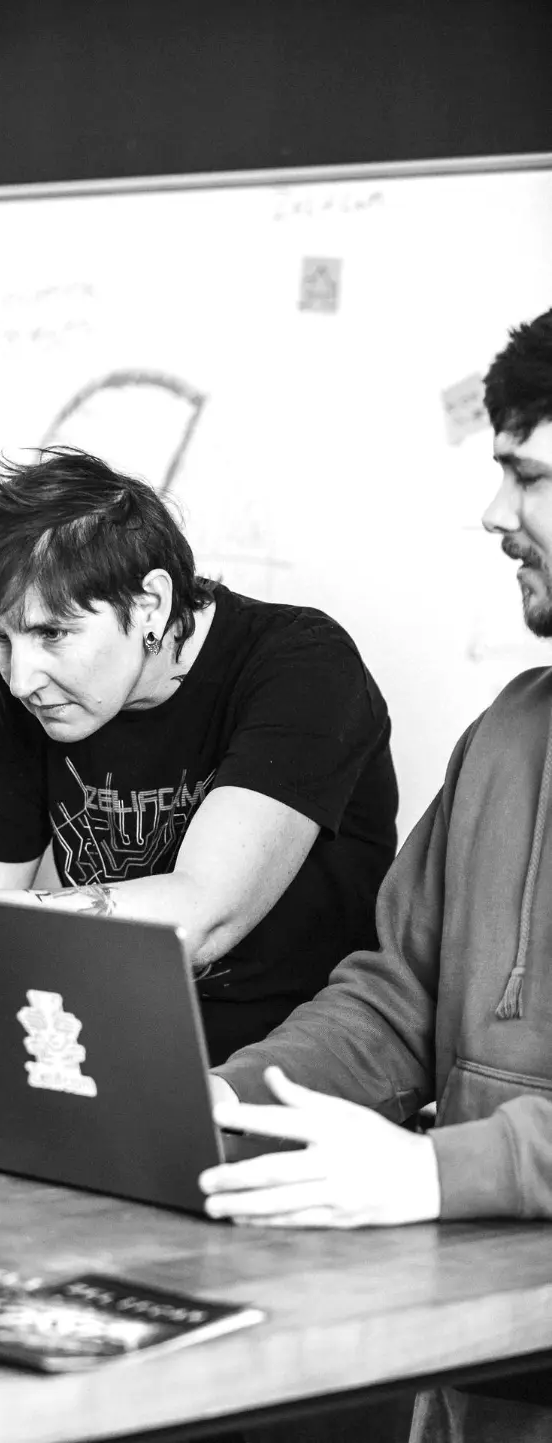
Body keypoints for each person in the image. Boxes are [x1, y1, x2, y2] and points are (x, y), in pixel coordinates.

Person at [0, 448, 398, 1072]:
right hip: (106, 1063)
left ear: (150, 604)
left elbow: (202, 912)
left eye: (52, 632)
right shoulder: (32, 690)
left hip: (284, 1079)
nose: (22, 677)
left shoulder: (300, 664)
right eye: (2, 638)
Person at [197, 308, 552, 1442]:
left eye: (528, 474)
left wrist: (439, 1174)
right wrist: (230, 1099)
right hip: (477, 1353)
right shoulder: (508, 730)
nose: (494, 512)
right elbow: (397, 997)